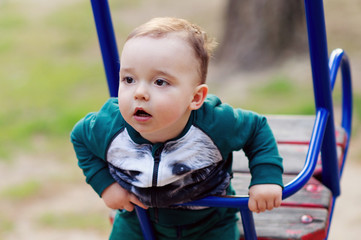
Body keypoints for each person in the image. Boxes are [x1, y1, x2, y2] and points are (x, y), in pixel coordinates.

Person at [71, 17, 283, 240]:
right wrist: (106, 185)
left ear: (196, 97)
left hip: (210, 221)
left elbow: (257, 129)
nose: (139, 93)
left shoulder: (215, 123)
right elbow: (80, 138)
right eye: (129, 79)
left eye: (160, 82)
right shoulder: (109, 126)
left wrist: (266, 178)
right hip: (139, 219)